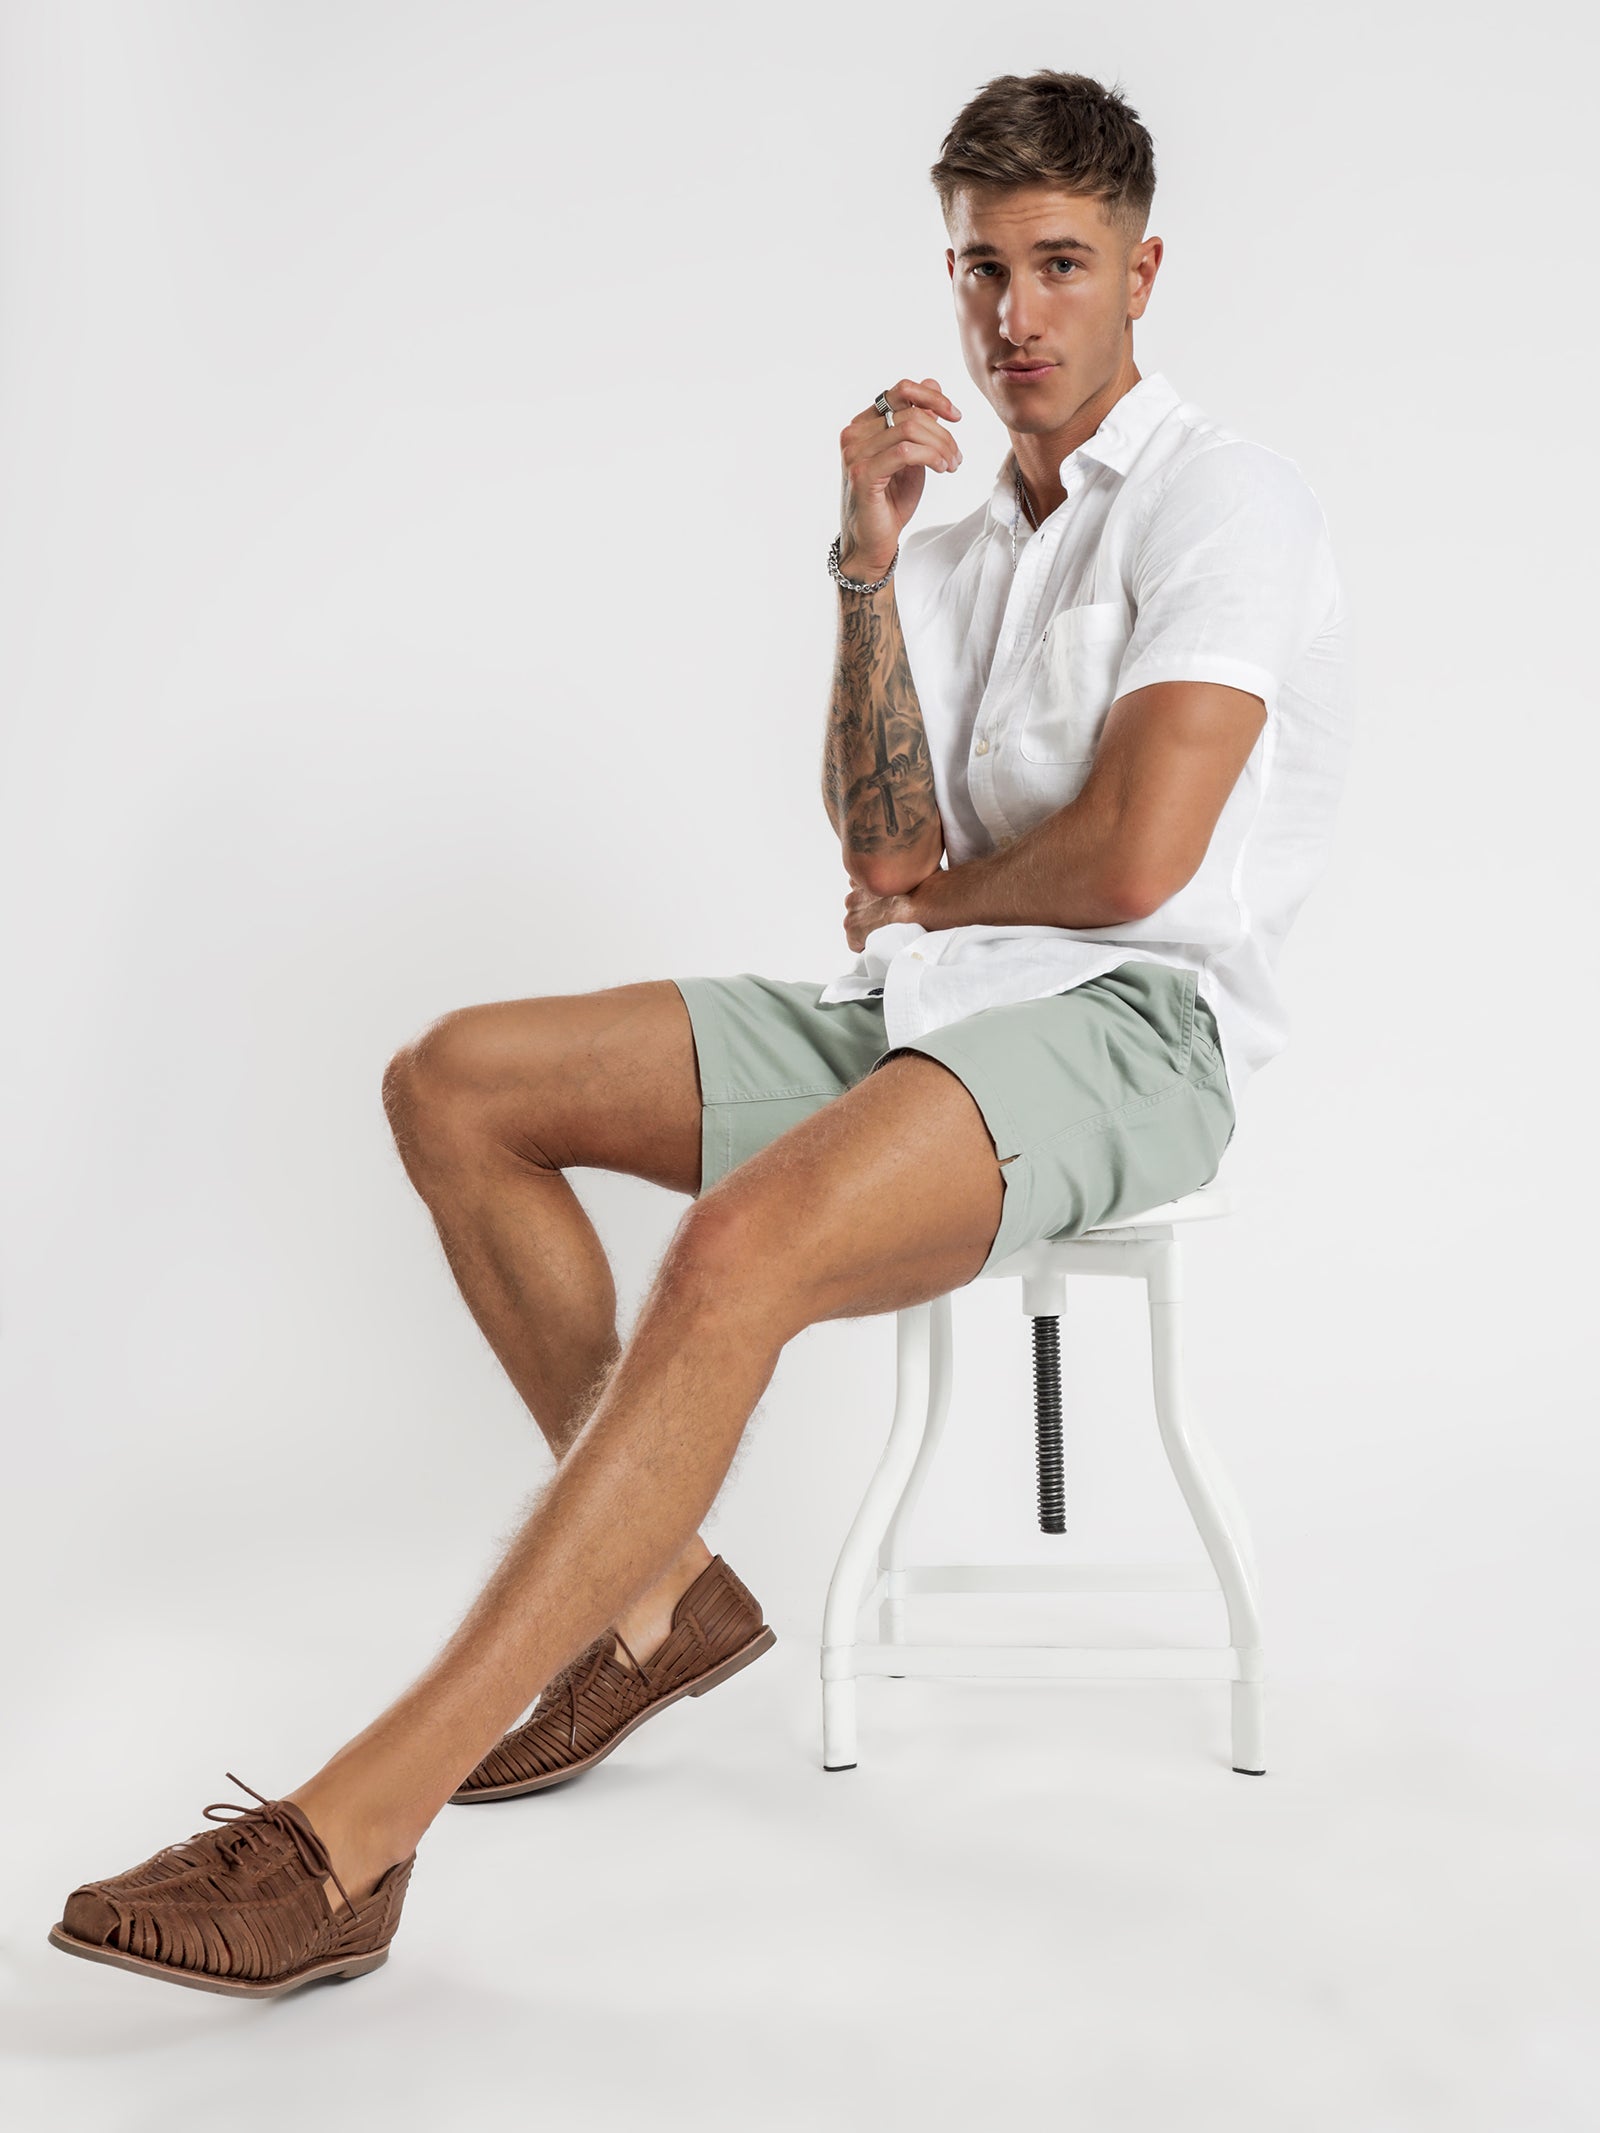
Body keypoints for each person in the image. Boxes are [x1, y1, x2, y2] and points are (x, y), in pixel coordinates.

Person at [49, 67, 1351, 1997]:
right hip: (927, 1009)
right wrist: (865, 558)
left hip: (1130, 1029)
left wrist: (937, 907)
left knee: (735, 1252)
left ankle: (353, 1834)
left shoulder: (1225, 497)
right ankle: (656, 1601)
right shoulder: (963, 545)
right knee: (456, 1084)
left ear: (1142, 271)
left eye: (1061, 265)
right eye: (980, 268)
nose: (1014, 315)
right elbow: (884, 850)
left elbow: (1143, 851)